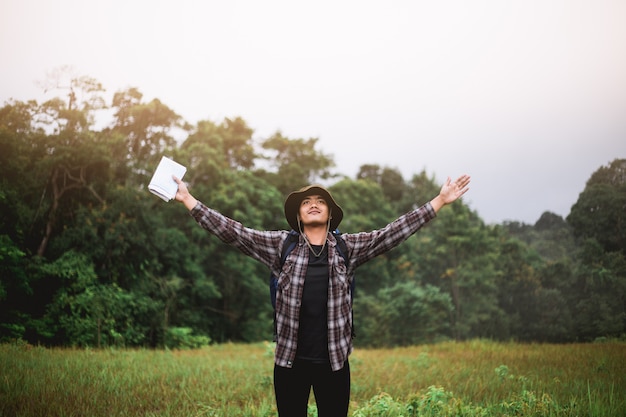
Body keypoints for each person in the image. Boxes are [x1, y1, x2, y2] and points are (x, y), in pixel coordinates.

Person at [173, 174, 470, 417]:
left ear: (329, 214)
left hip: (334, 363)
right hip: (290, 363)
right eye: (306, 202)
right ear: (299, 215)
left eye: (320, 202)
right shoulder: (281, 246)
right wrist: (189, 200)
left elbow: (392, 233)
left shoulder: (347, 249)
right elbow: (234, 232)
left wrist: (440, 201)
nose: (313, 205)